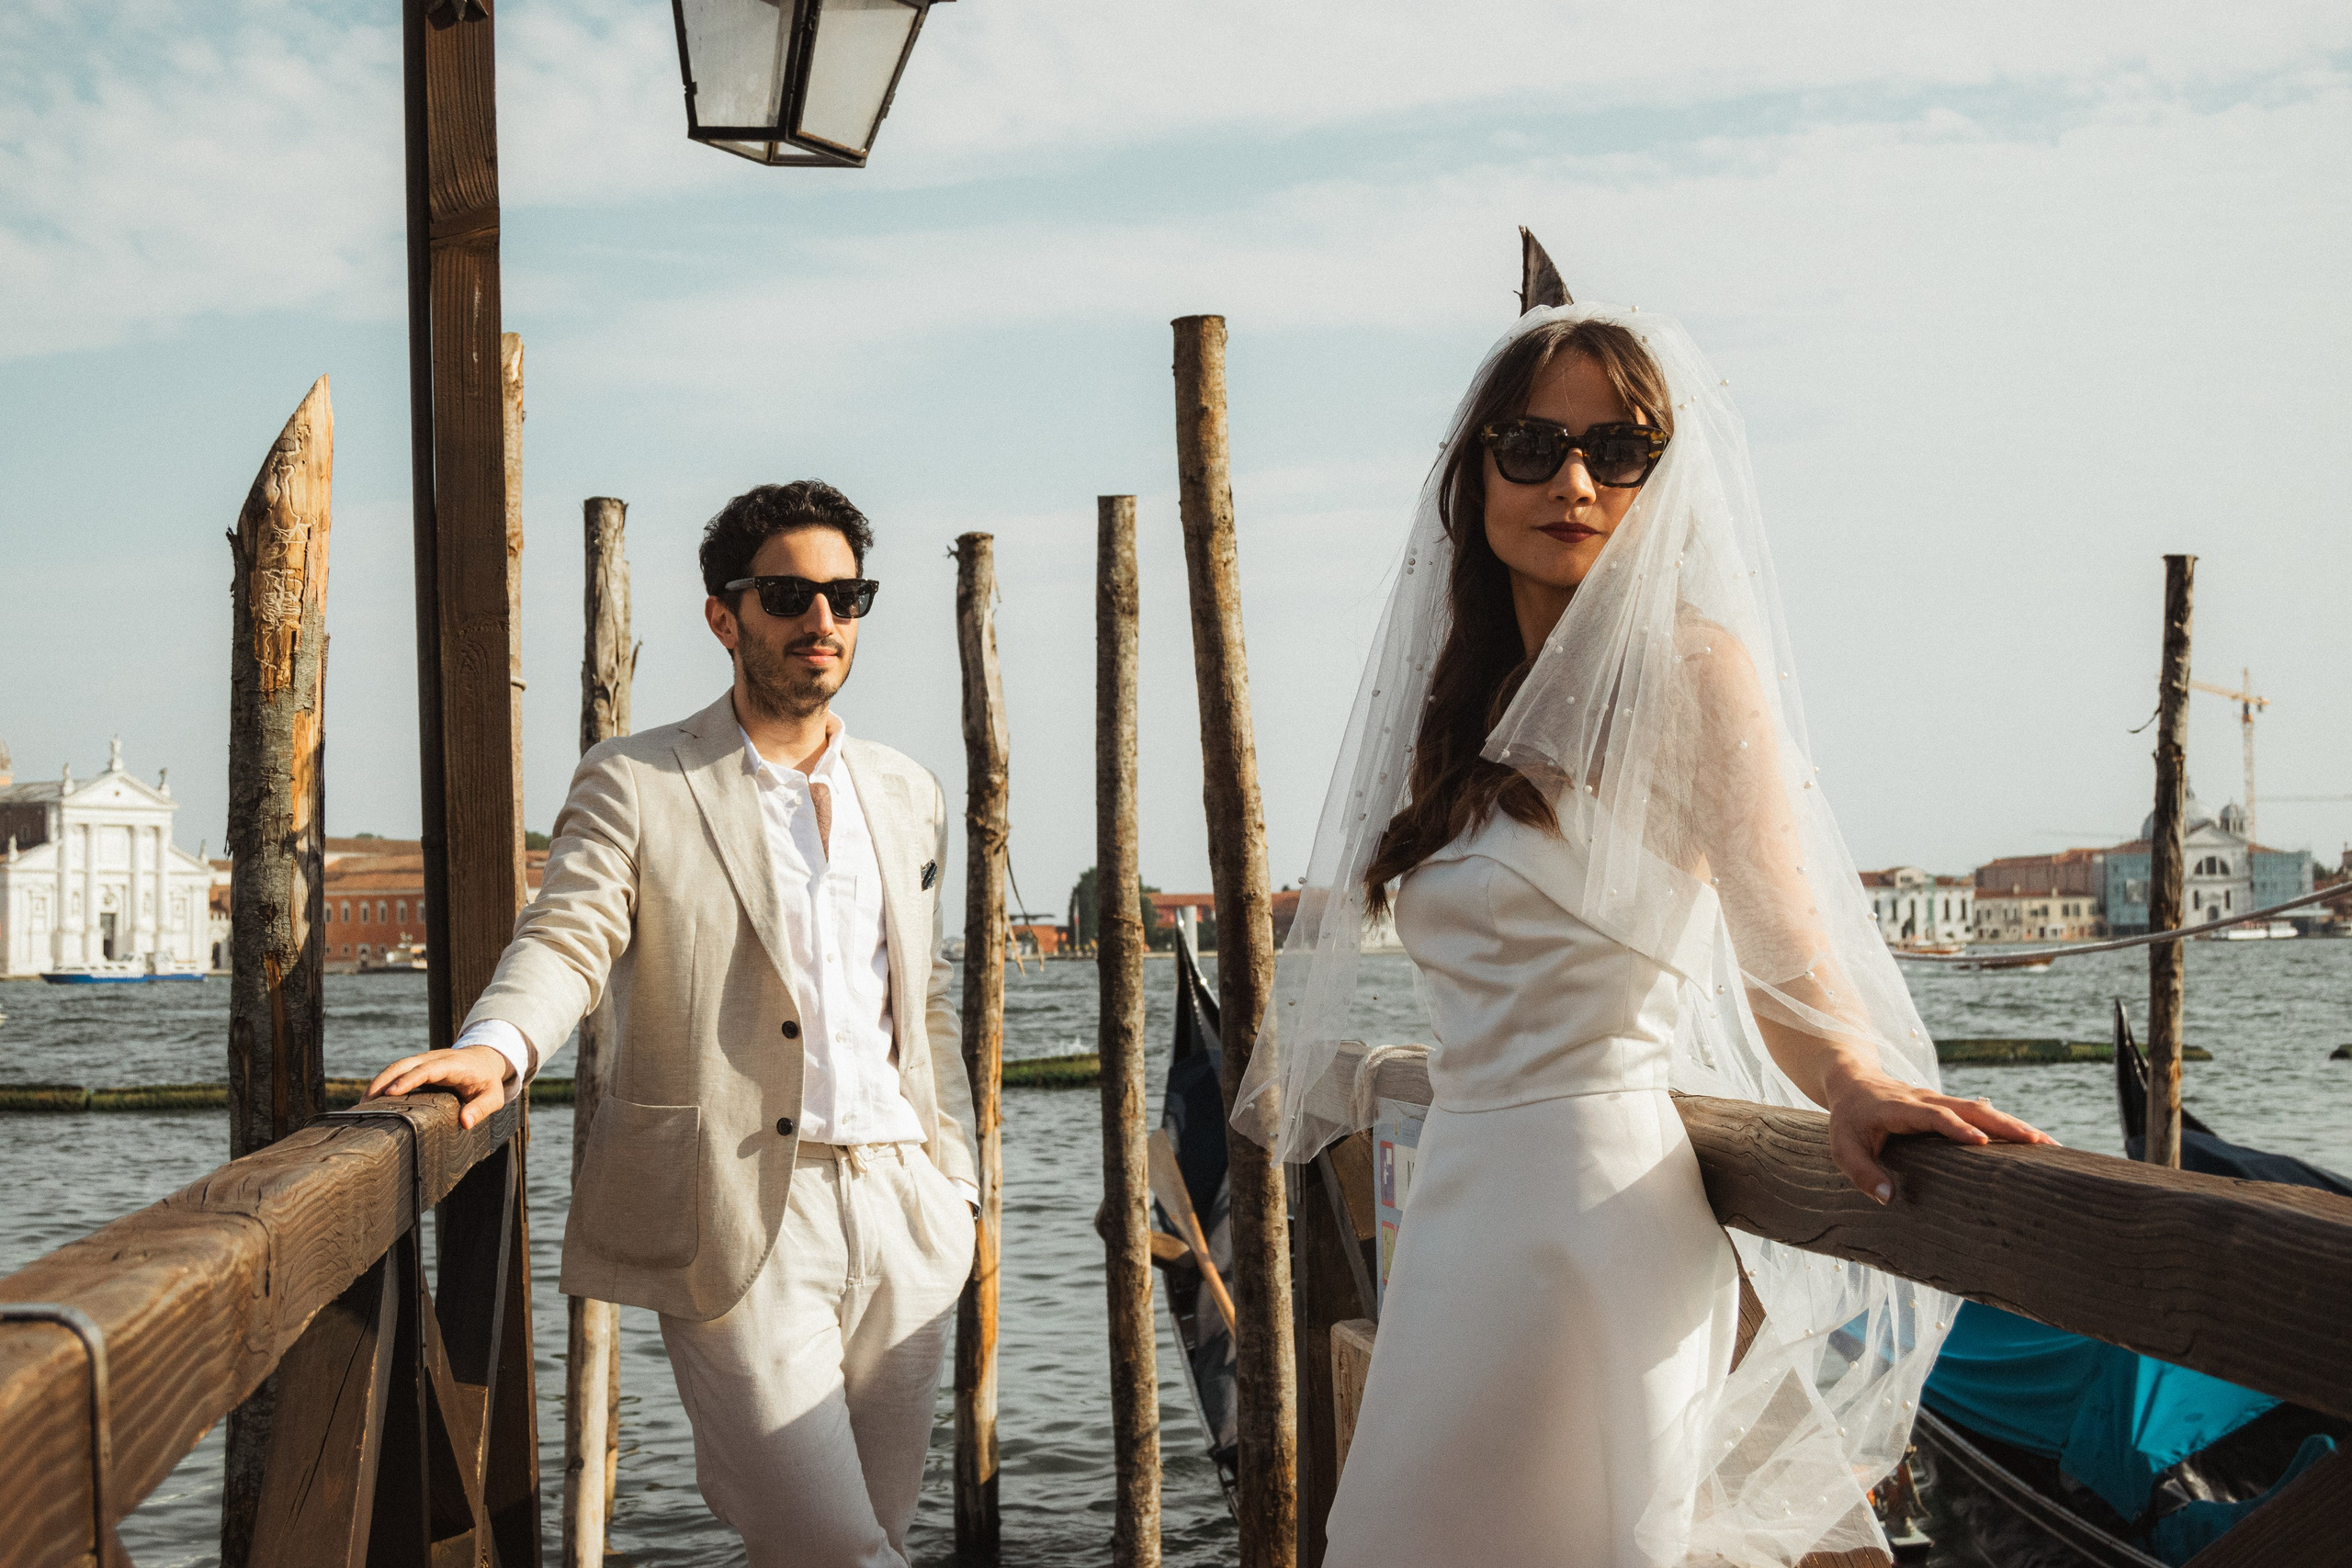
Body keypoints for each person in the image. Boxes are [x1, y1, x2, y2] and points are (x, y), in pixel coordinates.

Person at [1233, 305, 2054, 1565]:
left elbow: (1787, 948)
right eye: (1532, 445)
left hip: (1600, 1213)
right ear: (1474, 472)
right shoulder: (1462, 705)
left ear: (1660, 481)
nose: (1573, 483)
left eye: (1617, 452)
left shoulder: (1692, 671)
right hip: (1458, 1209)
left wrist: (1853, 1078)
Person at [368, 481, 978, 1568]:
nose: (822, 620)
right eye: (788, 595)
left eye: (846, 597)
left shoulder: (907, 790)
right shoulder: (638, 779)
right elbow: (569, 936)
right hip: (736, 1215)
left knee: (870, 1536)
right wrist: (497, 1046)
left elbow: (922, 998)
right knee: (833, 1550)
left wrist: (957, 1186)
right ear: (723, 615)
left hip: (905, 1207)